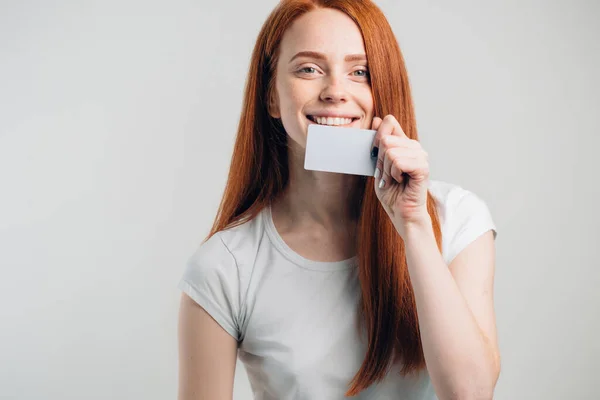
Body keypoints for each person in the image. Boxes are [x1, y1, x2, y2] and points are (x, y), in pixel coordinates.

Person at [177, 0, 500, 399]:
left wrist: (413, 225)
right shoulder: (224, 267)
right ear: (272, 98)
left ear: (383, 88)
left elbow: (470, 393)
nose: (335, 91)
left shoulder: (458, 221)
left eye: (359, 72)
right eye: (308, 69)